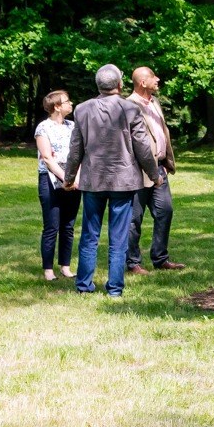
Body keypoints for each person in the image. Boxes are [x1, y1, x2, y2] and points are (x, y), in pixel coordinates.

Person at [63, 64, 160, 298]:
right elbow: (143, 148)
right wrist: (154, 175)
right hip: (123, 181)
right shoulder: (130, 109)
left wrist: (69, 177)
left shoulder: (83, 109)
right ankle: (115, 288)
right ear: (119, 85)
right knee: (118, 237)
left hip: (93, 180)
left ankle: (84, 285)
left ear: (98, 86)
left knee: (89, 235)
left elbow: (75, 149)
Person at [125, 67, 185, 274]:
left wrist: (166, 162)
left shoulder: (154, 102)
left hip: (159, 168)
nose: (158, 79)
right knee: (134, 218)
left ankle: (160, 258)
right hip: (137, 170)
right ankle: (132, 262)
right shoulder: (129, 105)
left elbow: (162, 132)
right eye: (153, 77)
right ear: (142, 82)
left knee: (165, 211)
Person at [34, 90, 82, 281]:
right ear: (57, 106)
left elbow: (80, 154)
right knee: (51, 226)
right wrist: (66, 179)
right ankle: (48, 269)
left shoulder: (73, 126)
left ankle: (65, 266)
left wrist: (75, 177)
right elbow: (47, 158)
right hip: (51, 180)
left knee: (68, 226)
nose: (71, 104)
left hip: (73, 179)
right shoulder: (43, 128)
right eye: (67, 101)